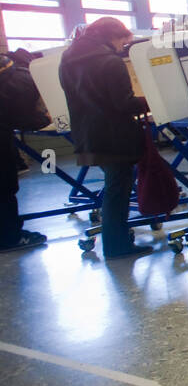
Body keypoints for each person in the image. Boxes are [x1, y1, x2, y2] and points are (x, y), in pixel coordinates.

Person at [58, 17, 151, 259]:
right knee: (117, 191)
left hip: (86, 134)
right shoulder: (110, 62)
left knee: (113, 188)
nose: (123, 48)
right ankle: (117, 246)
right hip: (114, 136)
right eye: (123, 42)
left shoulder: (67, 60)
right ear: (114, 37)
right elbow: (123, 104)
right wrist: (153, 99)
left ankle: (116, 241)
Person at [0, 47, 50, 252]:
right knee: (4, 189)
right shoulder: (19, 79)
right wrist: (45, 119)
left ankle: (10, 233)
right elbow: (22, 115)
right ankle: (9, 237)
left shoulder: (12, 74)